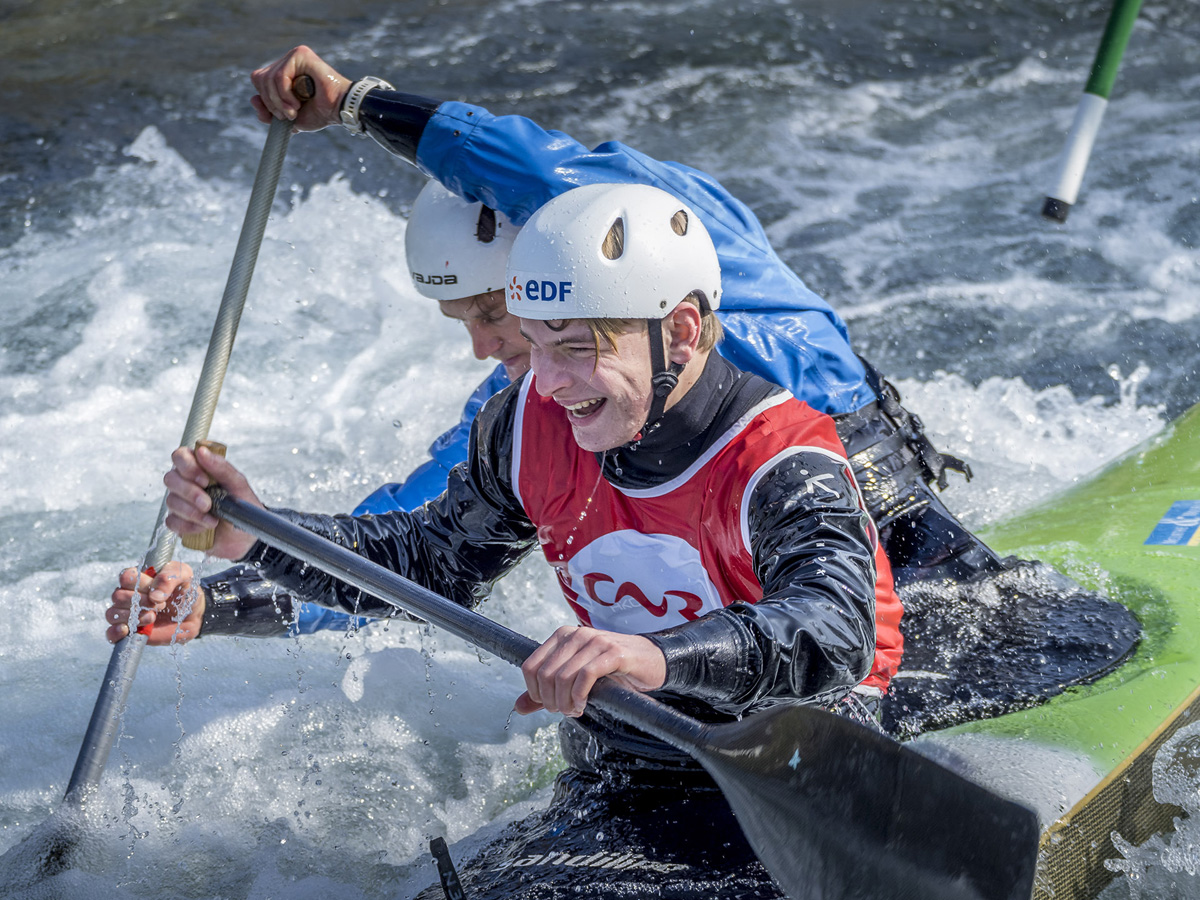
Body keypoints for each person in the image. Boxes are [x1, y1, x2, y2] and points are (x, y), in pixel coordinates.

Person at [134, 183, 884, 898]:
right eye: (535, 344)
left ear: (680, 332)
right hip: (625, 771)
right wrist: (259, 537)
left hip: (794, 776)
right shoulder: (523, 425)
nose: (550, 382)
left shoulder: (784, 462)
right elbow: (432, 563)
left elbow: (834, 632)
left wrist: (652, 655)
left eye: (578, 348)